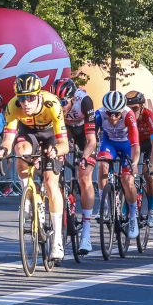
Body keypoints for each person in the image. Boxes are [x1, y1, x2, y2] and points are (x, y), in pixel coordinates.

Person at [0, 73, 70, 260]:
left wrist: (55, 150)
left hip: (51, 135)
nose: (26, 103)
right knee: (19, 150)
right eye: (22, 98)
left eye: (30, 97)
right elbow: (8, 140)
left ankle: (57, 240)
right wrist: (3, 150)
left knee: (51, 183)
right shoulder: (13, 106)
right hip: (29, 134)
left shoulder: (52, 104)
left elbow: (64, 145)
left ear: (39, 96)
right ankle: (28, 193)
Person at [51, 78, 97, 254]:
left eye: (63, 102)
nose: (60, 106)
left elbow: (92, 141)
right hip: (65, 129)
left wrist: (84, 157)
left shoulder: (84, 100)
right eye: (57, 102)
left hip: (84, 131)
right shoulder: (53, 106)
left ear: (72, 99)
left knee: (84, 176)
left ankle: (86, 233)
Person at [94, 90, 141, 241]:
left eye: (116, 114)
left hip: (127, 145)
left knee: (128, 181)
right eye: (109, 113)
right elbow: (90, 138)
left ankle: (133, 218)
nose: (113, 117)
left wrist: (133, 164)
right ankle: (105, 206)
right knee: (102, 165)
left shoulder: (129, 115)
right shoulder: (99, 114)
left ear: (122, 111)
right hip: (110, 144)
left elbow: (135, 146)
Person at [128, 91, 153, 227]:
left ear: (142, 106)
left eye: (134, 108)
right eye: (128, 108)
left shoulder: (150, 117)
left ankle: (152, 208)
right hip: (134, 143)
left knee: (147, 172)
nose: (131, 111)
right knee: (127, 173)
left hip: (148, 143)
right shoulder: (125, 117)